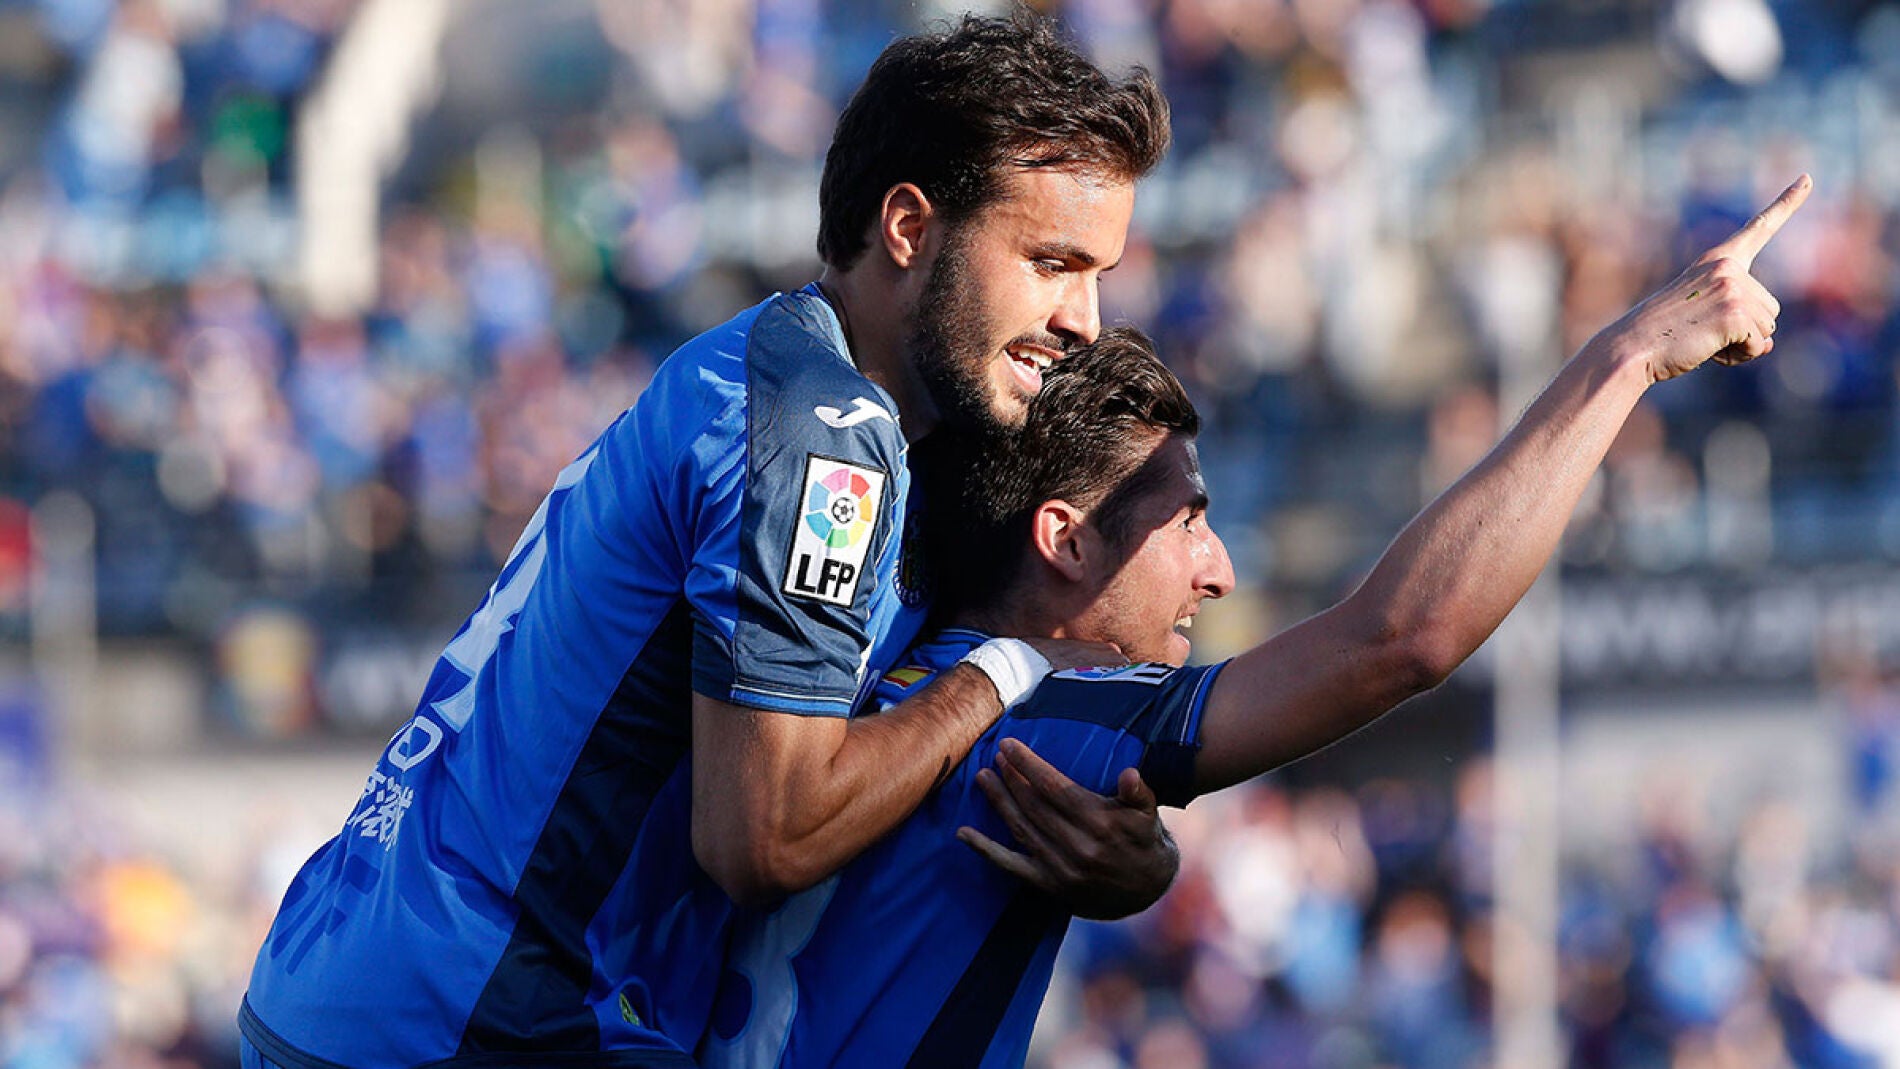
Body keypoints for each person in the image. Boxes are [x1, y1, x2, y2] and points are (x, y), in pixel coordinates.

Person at [687, 175, 1812, 1067]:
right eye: (1186, 522)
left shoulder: (834, 683)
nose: (1215, 570)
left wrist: (1149, 862)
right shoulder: (1035, 699)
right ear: (1064, 538)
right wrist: (1623, 361)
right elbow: (1400, 638)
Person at [240, 13, 1179, 1069]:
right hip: (472, 1020)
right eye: (1052, 261)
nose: (1085, 318)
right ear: (909, 227)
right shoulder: (827, 436)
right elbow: (767, 836)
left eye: (1098, 272)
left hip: (355, 974)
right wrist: (1008, 672)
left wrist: (1134, 860)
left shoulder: (768, 367)